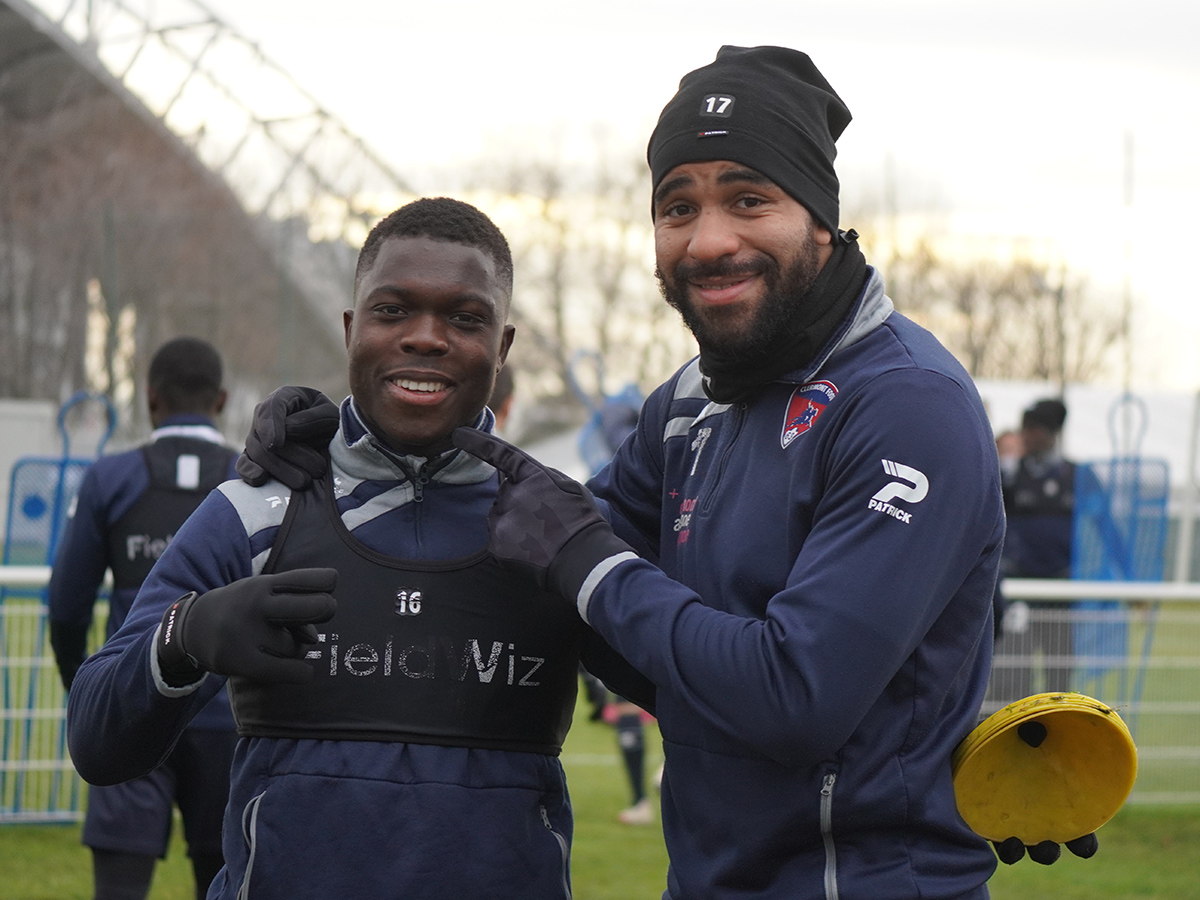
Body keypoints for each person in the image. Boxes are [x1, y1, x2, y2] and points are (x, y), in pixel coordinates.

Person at [241, 48, 1090, 888]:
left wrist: (593, 572)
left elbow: (795, 698)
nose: (708, 240)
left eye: (748, 199)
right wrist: (358, 448)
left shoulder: (907, 403)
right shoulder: (688, 402)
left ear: (821, 219)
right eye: (677, 207)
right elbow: (545, 565)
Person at [65, 198, 651, 899]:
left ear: (503, 346)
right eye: (393, 309)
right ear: (352, 329)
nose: (425, 337)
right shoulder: (260, 506)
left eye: (465, 318)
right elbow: (97, 742)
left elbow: (714, 704)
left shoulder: (555, 527)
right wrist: (183, 634)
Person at [48, 337, 238, 900]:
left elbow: (66, 606)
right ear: (221, 399)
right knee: (228, 881)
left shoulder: (110, 477)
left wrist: (86, 694)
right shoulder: (249, 478)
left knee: (120, 889)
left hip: (132, 706)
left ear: (150, 399)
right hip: (228, 720)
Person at [994, 398, 1077, 699]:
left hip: (1061, 589)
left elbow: (1107, 527)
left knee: (1059, 673)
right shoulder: (1011, 476)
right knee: (1012, 671)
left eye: (1033, 429)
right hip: (1019, 587)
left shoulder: (1076, 476)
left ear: (1051, 433)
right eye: (1024, 428)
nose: (1026, 435)